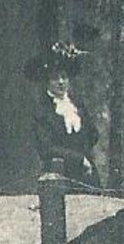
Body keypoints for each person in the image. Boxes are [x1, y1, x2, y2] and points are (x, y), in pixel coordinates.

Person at [26, 42, 102, 188]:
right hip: (58, 175)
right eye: (55, 78)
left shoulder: (77, 105)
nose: (61, 82)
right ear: (47, 81)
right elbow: (46, 148)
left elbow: (93, 134)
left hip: (87, 172)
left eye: (64, 77)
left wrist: (85, 155)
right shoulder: (41, 111)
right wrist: (78, 158)